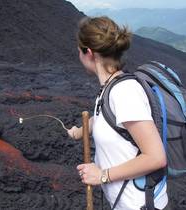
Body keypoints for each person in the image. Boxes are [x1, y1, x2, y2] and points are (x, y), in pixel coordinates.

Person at [67, 16, 169, 210]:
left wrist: (102, 175)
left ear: (88, 52)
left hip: (141, 205)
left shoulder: (124, 92)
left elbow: (156, 157)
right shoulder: (110, 88)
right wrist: (80, 131)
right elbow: (105, 121)